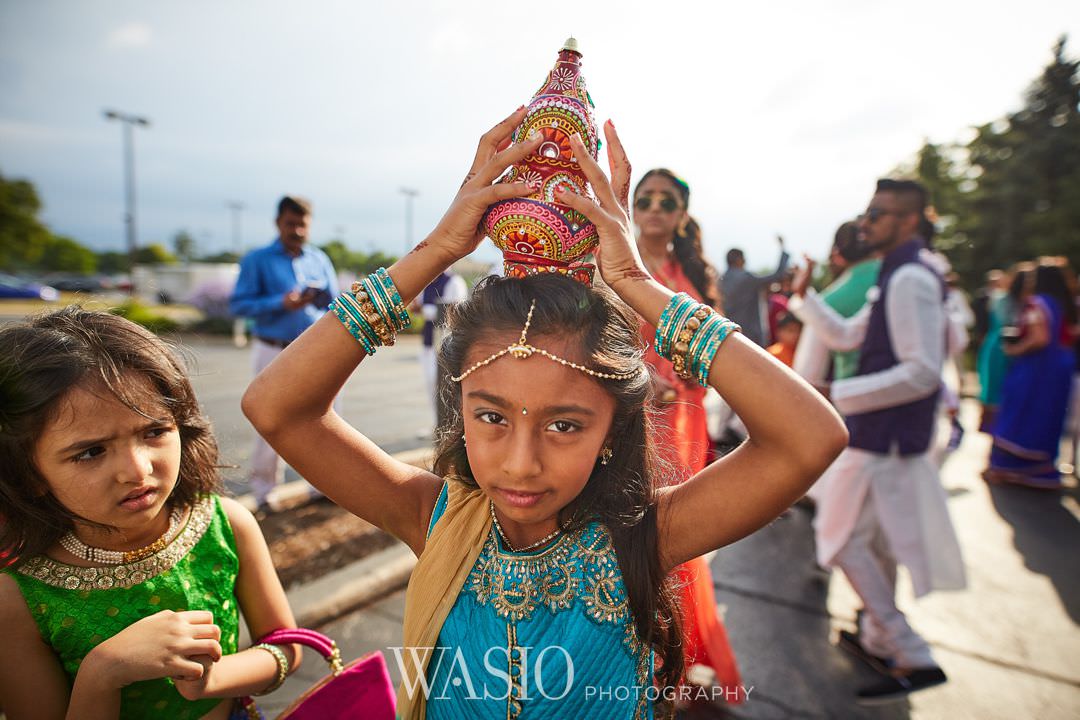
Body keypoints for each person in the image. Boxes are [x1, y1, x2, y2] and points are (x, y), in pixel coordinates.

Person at [241, 112, 848, 719]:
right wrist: (435, 252)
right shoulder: (435, 519)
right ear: (459, 409)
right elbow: (277, 409)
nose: (519, 464)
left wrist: (637, 284)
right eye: (492, 418)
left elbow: (808, 437)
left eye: (564, 425)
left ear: (612, 429)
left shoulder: (642, 537)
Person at [0, 308, 300, 720]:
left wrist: (213, 680)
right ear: (28, 473)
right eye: (91, 452)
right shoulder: (17, 598)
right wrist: (103, 672)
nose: (137, 470)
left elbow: (286, 644)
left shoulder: (225, 524)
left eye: (154, 431)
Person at [789, 179, 966, 703]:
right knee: (873, 543)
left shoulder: (910, 278)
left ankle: (909, 650)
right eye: (867, 214)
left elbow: (921, 374)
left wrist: (837, 391)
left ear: (909, 221)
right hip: (878, 438)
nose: (866, 224)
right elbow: (847, 336)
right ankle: (881, 639)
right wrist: (806, 299)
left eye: (879, 214)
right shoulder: (898, 273)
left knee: (839, 538)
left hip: (880, 440)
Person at [631, 168, 741, 702]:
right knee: (644, 533)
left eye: (665, 200)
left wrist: (698, 371)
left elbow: (718, 346)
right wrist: (643, 379)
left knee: (683, 536)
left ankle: (678, 654)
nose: (653, 207)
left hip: (687, 419)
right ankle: (645, 653)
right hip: (638, 419)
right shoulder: (613, 264)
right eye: (644, 198)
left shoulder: (688, 270)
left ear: (680, 213)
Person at [229, 196, 339, 512]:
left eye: (303, 224)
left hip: (315, 349)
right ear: (278, 222)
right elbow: (239, 305)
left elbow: (332, 303)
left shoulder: (319, 259)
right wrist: (280, 302)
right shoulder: (258, 260)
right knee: (271, 419)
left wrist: (318, 299)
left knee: (324, 419)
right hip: (272, 350)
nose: (297, 230)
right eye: (291, 224)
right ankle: (265, 492)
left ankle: (321, 486)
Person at [984, 261, 1076, 488]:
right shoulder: (1062, 305)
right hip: (1060, 367)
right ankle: (1039, 468)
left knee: (1021, 414)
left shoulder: (1037, 303)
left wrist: (1014, 349)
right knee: (1045, 416)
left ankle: (1011, 468)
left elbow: (1040, 338)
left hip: (1037, 368)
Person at [792, 221, 881, 392]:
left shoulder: (829, 301)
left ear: (837, 254)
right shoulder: (896, 278)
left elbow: (809, 371)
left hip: (853, 396)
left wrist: (803, 295)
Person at [417, 269, 468, 432]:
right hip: (429, 339)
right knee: (430, 383)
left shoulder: (454, 281)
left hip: (446, 341)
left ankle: (451, 426)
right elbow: (417, 305)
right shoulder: (427, 280)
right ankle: (437, 423)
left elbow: (454, 310)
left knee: (447, 385)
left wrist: (427, 310)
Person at [721, 237, 789, 346]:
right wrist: (783, 249)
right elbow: (778, 275)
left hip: (730, 335)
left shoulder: (721, 281)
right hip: (752, 337)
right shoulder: (746, 278)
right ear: (739, 260)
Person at [976, 269, 1015, 433]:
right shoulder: (998, 298)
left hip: (997, 342)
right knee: (991, 383)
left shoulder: (1002, 298)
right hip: (997, 342)